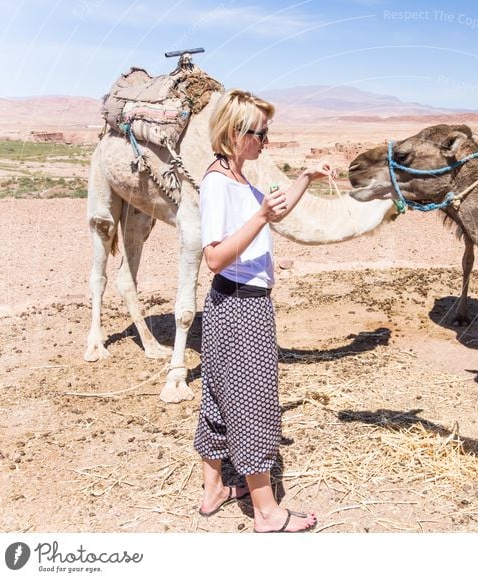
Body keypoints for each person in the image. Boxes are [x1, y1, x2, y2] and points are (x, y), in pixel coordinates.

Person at [193, 89, 333, 533]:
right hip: (238, 307)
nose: (265, 142)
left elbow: (276, 210)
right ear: (236, 133)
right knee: (253, 405)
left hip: (233, 302)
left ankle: (213, 489)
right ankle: (267, 512)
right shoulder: (217, 184)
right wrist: (261, 222)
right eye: (260, 133)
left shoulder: (238, 180)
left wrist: (306, 177)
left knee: (219, 399)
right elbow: (214, 257)